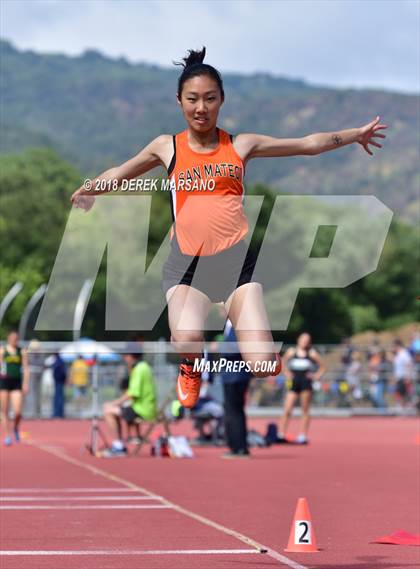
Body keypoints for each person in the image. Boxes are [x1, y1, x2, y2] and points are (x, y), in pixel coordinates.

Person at [70, 47, 387, 410]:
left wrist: (354, 135)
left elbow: (306, 145)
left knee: (263, 364)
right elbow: (120, 173)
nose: (200, 107)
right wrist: (91, 188)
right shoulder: (166, 147)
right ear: (179, 101)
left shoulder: (240, 145)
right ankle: (191, 365)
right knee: (187, 336)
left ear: (221, 100)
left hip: (237, 266)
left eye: (209, 98)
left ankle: (256, 344)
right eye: (192, 99)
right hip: (187, 265)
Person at [102, 352, 157, 456]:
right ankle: (119, 444)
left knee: (108, 411)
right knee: (115, 410)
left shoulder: (139, 369)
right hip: (145, 407)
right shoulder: (144, 367)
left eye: (125, 356)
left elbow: (133, 393)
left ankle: (118, 446)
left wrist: (113, 403)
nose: (124, 358)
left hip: (141, 410)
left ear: (131, 356)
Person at [278, 333, 325, 444]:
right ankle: (281, 434)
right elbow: (282, 362)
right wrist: (287, 373)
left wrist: (316, 376)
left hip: (306, 383)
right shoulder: (291, 351)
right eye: (303, 339)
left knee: (305, 409)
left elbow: (323, 367)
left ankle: (302, 435)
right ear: (299, 340)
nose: (304, 342)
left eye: (307, 340)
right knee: (287, 409)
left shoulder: (311, 353)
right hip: (294, 382)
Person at [220, 318, 252, 458]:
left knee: (235, 412)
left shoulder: (238, 324)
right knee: (231, 411)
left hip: (236, 375)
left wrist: (220, 348)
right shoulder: (230, 325)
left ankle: (239, 447)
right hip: (231, 375)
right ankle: (234, 445)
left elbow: (238, 348)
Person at [0, 330, 29, 446]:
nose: (14, 340)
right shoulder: (2, 351)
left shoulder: (21, 352)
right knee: (5, 411)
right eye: (12, 338)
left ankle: (15, 427)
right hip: (4, 382)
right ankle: (7, 435)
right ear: (8, 339)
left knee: (17, 411)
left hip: (16, 382)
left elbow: (26, 368)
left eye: (16, 339)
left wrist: (26, 383)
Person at [392, 339, 414, 407]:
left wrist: (408, 377)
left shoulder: (404, 354)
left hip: (404, 377)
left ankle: (408, 410)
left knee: (404, 395)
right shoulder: (398, 354)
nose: (393, 348)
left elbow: (409, 364)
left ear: (397, 346)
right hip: (399, 378)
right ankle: (403, 409)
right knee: (399, 394)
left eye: (393, 346)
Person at [52, 353, 67, 418]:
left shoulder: (58, 362)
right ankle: (58, 413)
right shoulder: (60, 361)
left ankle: (58, 414)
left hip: (59, 382)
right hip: (59, 381)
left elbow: (62, 372)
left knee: (58, 398)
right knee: (58, 398)